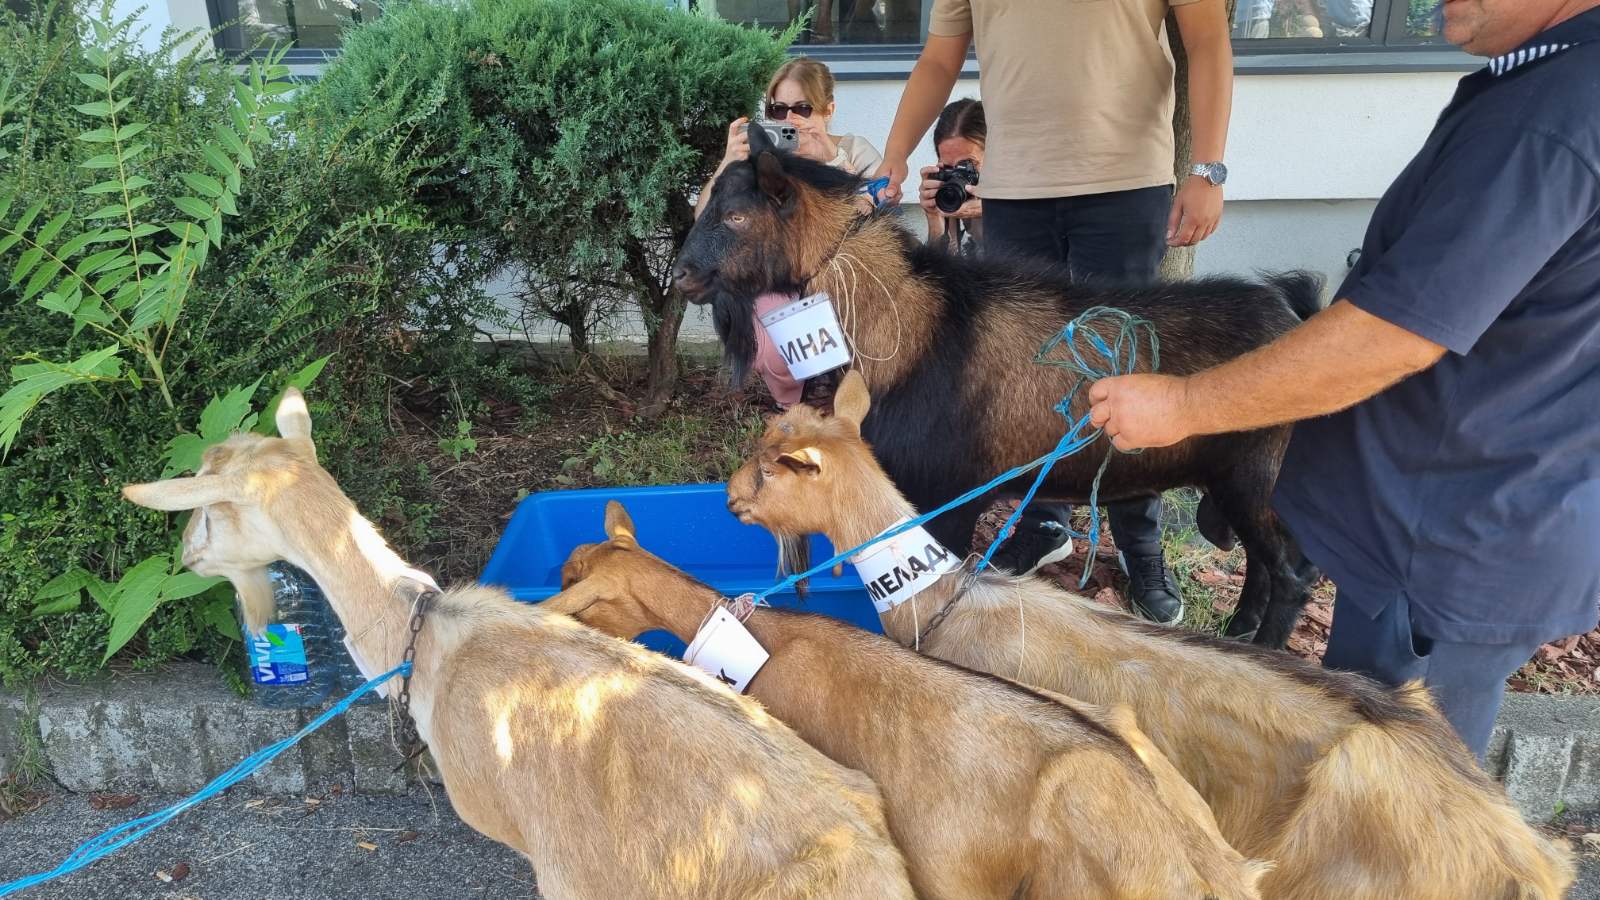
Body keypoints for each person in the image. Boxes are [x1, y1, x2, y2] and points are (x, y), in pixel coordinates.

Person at [1086, 0, 1600, 760]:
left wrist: (1185, 402)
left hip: (1445, 540)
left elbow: (1394, 333)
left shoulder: (1548, 118)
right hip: (1477, 511)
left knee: (1404, 795)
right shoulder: (1554, 87)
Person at [872, 0, 1234, 624]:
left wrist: (1207, 169)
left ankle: (1141, 547)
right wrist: (896, 152)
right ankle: (1043, 523)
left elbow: (1207, 40)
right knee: (1028, 375)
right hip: (1015, 191)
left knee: (1126, 366)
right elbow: (938, 57)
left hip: (1122, 183)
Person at [695, 57, 883, 409]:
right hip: (780, 276)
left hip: (841, 274)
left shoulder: (854, 149)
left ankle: (838, 402)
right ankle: (800, 406)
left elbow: (879, 211)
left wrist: (829, 154)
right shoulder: (758, 158)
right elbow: (703, 217)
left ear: (828, 109)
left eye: (802, 108)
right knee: (775, 333)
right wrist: (727, 163)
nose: (788, 120)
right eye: (777, 109)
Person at [919, 98, 985, 255]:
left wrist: (996, 208)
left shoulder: (1022, 190)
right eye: (949, 167)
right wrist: (935, 219)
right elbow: (941, 270)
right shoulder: (950, 188)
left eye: (969, 165)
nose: (959, 175)